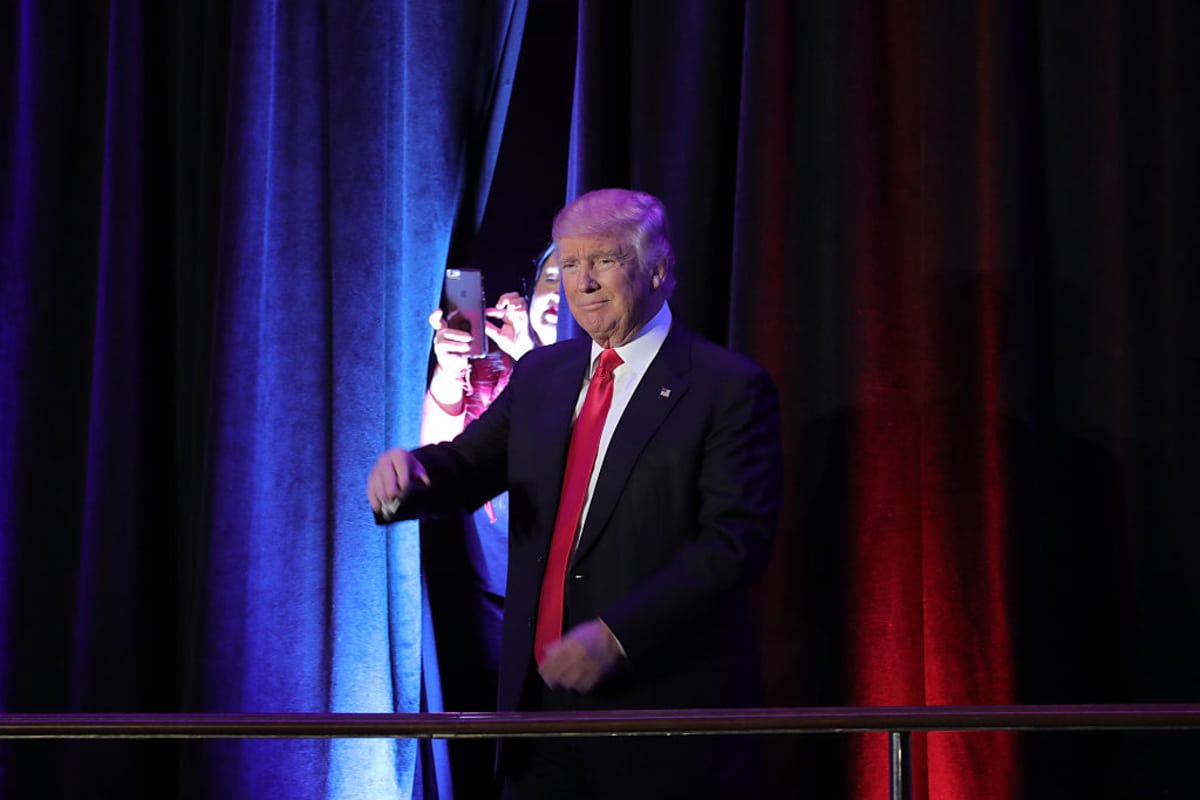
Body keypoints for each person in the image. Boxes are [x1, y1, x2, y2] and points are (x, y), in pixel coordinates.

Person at [368, 189, 782, 798]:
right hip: (538, 717)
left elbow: (733, 546)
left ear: (658, 270)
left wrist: (619, 635)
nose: (581, 283)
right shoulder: (544, 374)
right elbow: (467, 465)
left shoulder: (726, 388)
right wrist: (409, 476)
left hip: (658, 720)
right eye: (568, 265)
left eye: (604, 261)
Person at [419, 248, 559, 799]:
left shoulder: (607, 368)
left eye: (579, 271)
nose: (562, 289)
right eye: (552, 273)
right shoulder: (492, 366)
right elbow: (436, 462)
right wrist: (450, 374)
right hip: (495, 592)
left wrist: (532, 358)